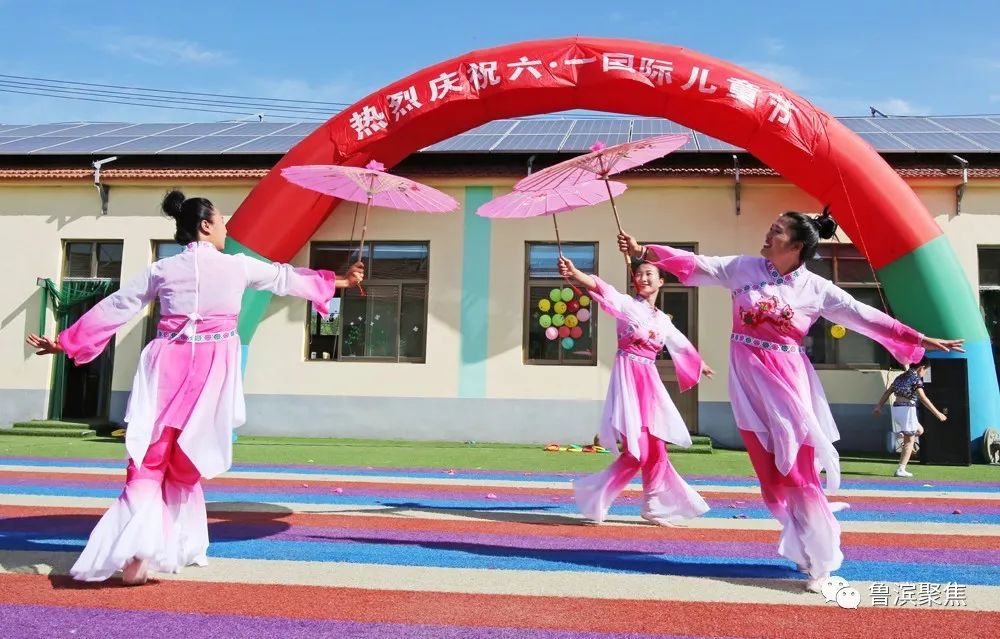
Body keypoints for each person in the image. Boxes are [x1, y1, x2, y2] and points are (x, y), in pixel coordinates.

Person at [26, 190, 364, 585]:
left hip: (166, 364)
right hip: (210, 369)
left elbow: (119, 304)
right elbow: (284, 278)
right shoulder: (238, 266)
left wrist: (66, 340)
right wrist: (341, 280)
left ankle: (139, 549)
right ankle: (152, 547)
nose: (226, 229)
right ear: (205, 226)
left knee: (151, 455)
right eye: (222, 222)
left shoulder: (163, 269)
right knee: (187, 458)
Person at [617, 209, 963, 591]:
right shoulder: (743, 268)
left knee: (797, 473)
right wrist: (644, 251)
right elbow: (697, 264)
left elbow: (861, 314)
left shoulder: (816, 288)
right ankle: (803, 544)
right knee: (772, 482)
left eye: (777, 231)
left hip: (788, 388)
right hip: (747, 389)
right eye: (771, 227)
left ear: (796, 245)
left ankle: (822, 562)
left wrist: (916, 338)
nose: (768, 234)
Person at [557, 256, 713, 527]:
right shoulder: (626, 305)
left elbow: (680, 343)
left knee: (657, 447)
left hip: (649, 383)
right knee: (637, 451)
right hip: (628, 380)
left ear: (661, 281)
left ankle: (653, 506)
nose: (643, 278)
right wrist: (576, 273)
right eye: (639, 274)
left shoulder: (662, 320)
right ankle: (595, 496)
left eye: (649, 273)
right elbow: (600, 286)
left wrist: (699, 364)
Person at [874, 357, 946, 477]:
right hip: (907, 410)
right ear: (921, 368)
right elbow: (923, 398)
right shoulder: (915, 379)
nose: (924, 374)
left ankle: (897, 436)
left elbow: (888, 392)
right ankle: (901, 469)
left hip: (896, 409)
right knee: (910, 441)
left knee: (919, 430)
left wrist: (878, 406)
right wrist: (937, 413)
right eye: (925, 371)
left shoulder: (900, 377)